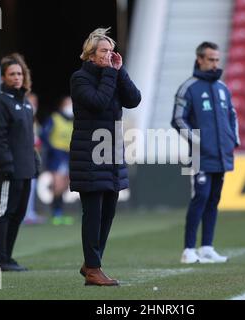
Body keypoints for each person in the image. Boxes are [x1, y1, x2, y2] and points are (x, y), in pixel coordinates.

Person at [70, 27, 141, 286]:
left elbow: (134, 99)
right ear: (90, 55)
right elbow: (98, 102)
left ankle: (91, 261)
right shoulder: (80, 79)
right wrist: (111, 74)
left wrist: (120, 71)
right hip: (89, 152)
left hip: (111, 150)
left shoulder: (112, 74)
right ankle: (93, 268)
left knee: (109, 210)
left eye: (112, 50)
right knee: (93, 211)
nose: (109, 55)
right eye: (104, 51)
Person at [171, 42, 240, 264]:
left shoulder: (222, 88)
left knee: (213, 199)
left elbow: (232, 115)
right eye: (211, 59)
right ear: (199, 59)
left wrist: (233, 140)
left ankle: (207, 247)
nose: (215, 63)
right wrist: (198, 141)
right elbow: (178, 119)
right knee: (200, 197)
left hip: (222, 153)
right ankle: (188, 249)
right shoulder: (188, 88)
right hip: (201, 155)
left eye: (217, 59)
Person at [0, 53, 40, 271]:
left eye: (19, 73)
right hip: (9, 170)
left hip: (26, 168)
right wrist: (7, 164)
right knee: (4, 212)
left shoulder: (26, 105)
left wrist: (35, 161)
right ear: (3, 78)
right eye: (12, 74)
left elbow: (28, 138)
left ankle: (8, 257)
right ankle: (1, 259)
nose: (17, 77)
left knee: (18, 214)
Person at [40, 96, 74, 226]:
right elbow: (44, 134)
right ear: (62, 105)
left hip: (68, 154)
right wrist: (51, 148)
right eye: (68, 104)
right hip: (57, 155)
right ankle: (55, 213)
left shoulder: (71, 121)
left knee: (65, 185)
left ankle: (58, 212)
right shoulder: (55, 118)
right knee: (58, 184)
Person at [23, 92, 47, 225]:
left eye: (35, 102)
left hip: (33, 156)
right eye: (31, 102)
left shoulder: (34, 119)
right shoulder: (24, 117)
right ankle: (24, 214)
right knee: (26, 186)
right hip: (25, 156)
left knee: (31, 186)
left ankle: (29, 213)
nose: (34, 105)